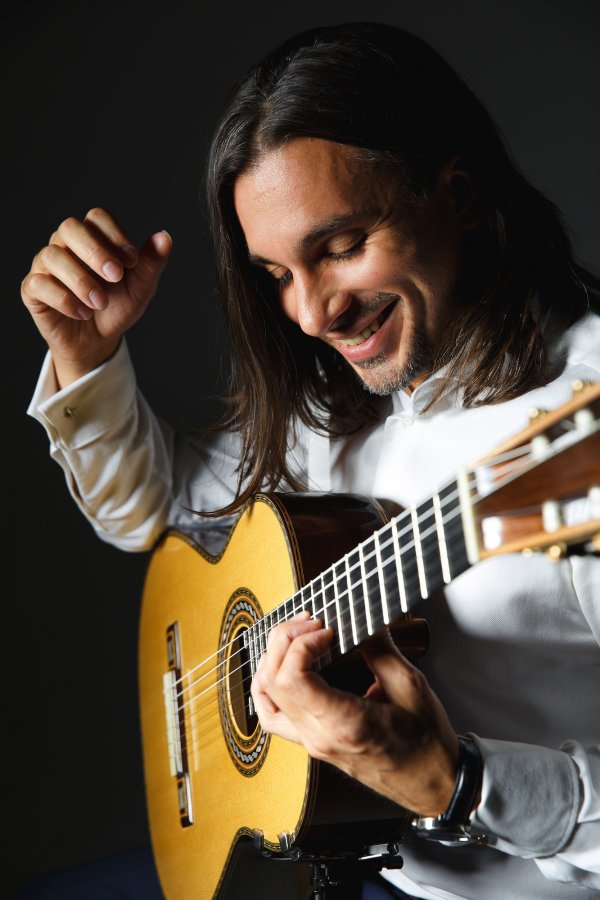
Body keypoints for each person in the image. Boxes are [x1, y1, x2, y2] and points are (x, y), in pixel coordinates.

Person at [21, 21, 600, 900]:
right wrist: (85, 358)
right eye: (277, 275)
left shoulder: (577, 417)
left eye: (341, 247)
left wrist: (463, 785)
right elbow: (155, 511)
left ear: (460, 195)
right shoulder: (334, 401)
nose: (312, 315)